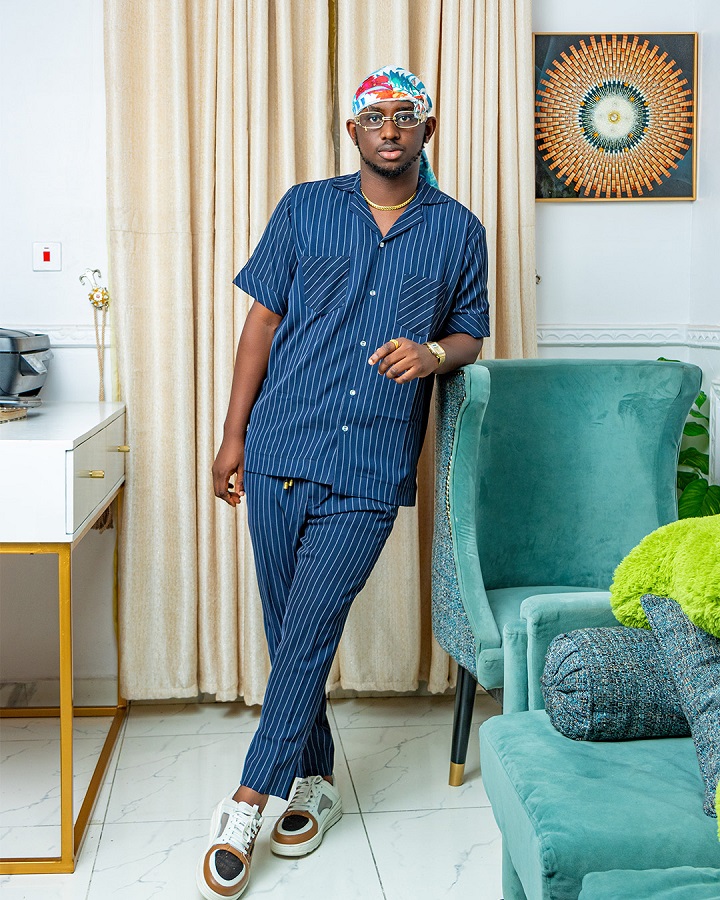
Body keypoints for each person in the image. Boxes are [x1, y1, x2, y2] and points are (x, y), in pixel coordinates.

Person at [197, 65, 489, 900]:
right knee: (291, 629)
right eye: (375, 116)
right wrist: (233, 435)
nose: (390, 128)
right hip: (281, 445)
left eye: (406, 116)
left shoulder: (458, 230)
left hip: (371, 463)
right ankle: (317, 780)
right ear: (354, 130)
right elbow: (262, 320)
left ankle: (248, 802)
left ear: (427, 130)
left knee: (311, 622)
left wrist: (432, 354)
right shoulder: (304, 208)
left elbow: (469, 333)